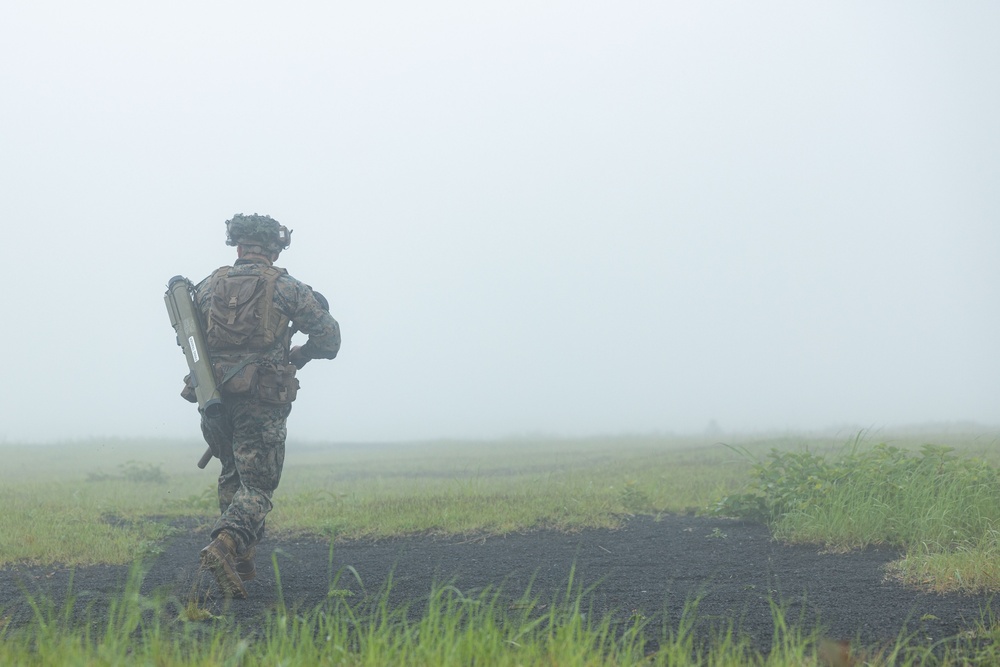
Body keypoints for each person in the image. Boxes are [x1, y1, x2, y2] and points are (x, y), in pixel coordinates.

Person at [188, 213, 341, 598]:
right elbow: (330, 339)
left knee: (232, 474)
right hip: (260, 402)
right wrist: (301, 354)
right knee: (258, 487)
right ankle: (224, 545)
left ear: (238, 248)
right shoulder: (287, 287)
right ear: (273, 250)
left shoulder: (207, 286)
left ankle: (241, 561)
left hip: (214, 401)